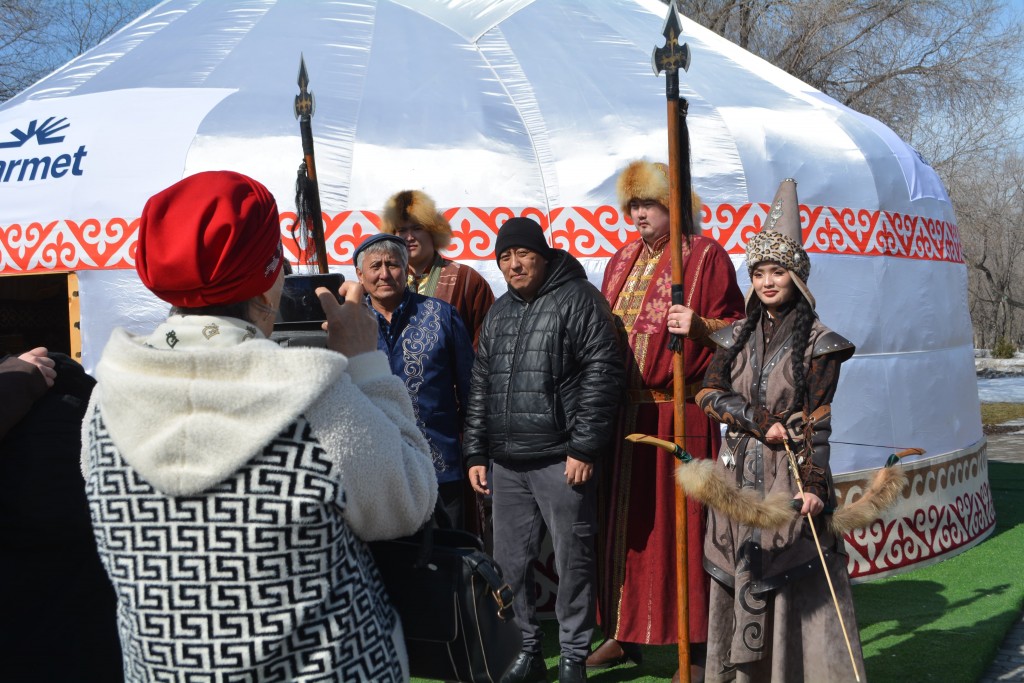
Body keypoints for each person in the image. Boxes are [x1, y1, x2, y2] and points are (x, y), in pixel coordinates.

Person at [81, 171, 438, 682]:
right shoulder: (309, 394)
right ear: (267, 277)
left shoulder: (103, 402)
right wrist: (365, 362)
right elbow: (410, 498)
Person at [695, 178, 864, 682]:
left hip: (790, 474)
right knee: (738, 569)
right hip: (735, 476)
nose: (768, 281)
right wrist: (757, 421)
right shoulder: (734, 335)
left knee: (793, 573)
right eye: (760, 272)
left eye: (778, 271)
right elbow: (707, 394)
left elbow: (817, 419)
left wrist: (813, 486)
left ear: (797, 276)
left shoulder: (822, 343)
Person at [590, 159, 745, 679]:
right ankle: (623, 632)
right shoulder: (620, 260)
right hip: (624, 416)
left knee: (685, 529)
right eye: (632, 205)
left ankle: (695, 647)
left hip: (680, 412)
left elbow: (740, 330)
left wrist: (700, 326)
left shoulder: (705, 255)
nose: (639, 214)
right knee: (626, 530)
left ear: (674, 206)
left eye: (649, 204)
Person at [463, 217, 625, 683]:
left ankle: (573, 654)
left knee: (573, 560)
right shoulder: (499, 312)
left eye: (523, 254)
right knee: (509, 564)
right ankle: (527, 651)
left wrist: (585, 447)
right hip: (506, 463)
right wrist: (476, 453)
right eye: (505, 257)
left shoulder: (579, 299)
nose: (514, 264)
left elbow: (603, 372)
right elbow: (481, 385)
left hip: (561, 458)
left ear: (544, 256)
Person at [353, 231, 475, 528]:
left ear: (406, 269)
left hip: (439, 467)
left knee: (449, 550)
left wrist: (476, 454)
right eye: (375, 266)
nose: (384, 274)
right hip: (373, 470)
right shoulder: (350, 324)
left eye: (393, 264)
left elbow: (473, 391)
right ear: (360, 275)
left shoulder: (441, 315)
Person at [379, 189, 495, 348]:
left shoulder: (466, 278)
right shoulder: (384, 280)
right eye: (402, 230)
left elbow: (487, 340)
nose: (409, 237)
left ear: (433, 231)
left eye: (417, 228)